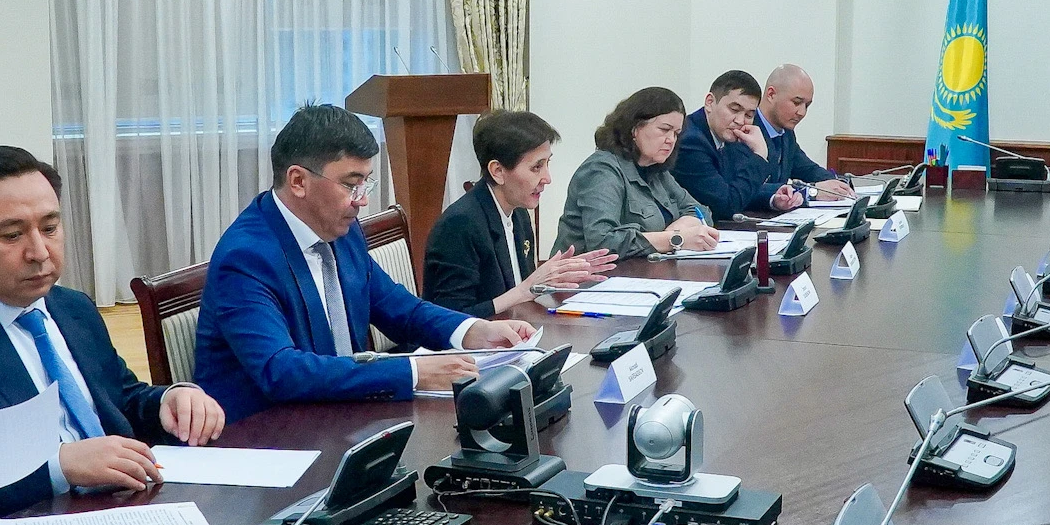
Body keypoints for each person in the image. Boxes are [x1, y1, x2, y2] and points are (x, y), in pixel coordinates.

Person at [0, 147, 226, 523]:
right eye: (12, 235)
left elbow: (119, 399)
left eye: (50, 228)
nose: (39, 252)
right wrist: (57, 466)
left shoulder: (73, 308)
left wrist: (168, 401)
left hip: (123, 510)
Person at [194, 105, 537, 422]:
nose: (362, 200)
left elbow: (400, 308)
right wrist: (414, 372)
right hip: (269, 435)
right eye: (350, 185)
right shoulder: (246, 258)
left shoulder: (342, 231)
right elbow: (281, 370)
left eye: (365, 183)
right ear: (298, 181)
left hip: (342, 414)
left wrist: (472, 330)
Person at [423, 110, 616, 317]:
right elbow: (452, 318)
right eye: (536, 167)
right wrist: (528, 288)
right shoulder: (459, 225)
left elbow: (523, 292)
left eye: (547, 163)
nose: (547, 178)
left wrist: (555, 280)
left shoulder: (519, 213)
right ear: (498, 171)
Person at [554, 87, 721, 257]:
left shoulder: (656, 170)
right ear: (634, 129)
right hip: (586, 272)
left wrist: (676, 231)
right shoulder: (601, 170)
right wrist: (674, 239)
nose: (671, 140)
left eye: (676, 133)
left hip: (641, 269)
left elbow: (701, 212)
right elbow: (602, 242)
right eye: (664, 130)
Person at [674, 70, 803, 221]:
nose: (740, 121)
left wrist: (773, 197)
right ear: (709, 102)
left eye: (749, 115)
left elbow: (733, 186)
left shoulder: (726, 135)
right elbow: (727, 204)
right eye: (734, 110)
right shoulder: (691, 142)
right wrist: (760, 155)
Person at [756, 64, 856, 203]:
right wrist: (811, 192)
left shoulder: (786, 133)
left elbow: (807, 169)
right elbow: (750, 188)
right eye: (796, 102)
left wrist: (838, 184)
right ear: (771, 94)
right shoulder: (745, 129)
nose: (802, 112)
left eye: (807, 105)